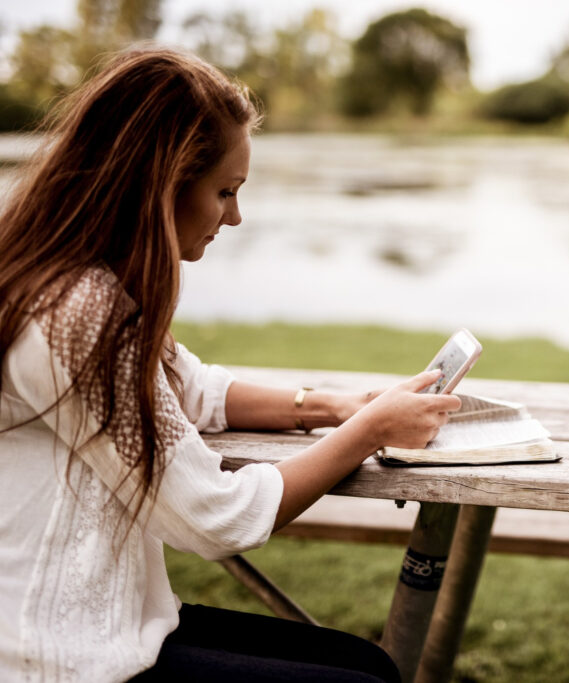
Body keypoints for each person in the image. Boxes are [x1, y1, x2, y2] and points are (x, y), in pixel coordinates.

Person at [0, 46, 461, 682]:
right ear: (161, 183)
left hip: (115, 618)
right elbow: (215, 517)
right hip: (52, 656)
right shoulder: (76, 311)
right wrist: (371, 432)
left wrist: (335, 408)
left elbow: (190, 387)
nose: (235, 216)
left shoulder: (85, 280)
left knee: (369, 664)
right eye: (225, 191)